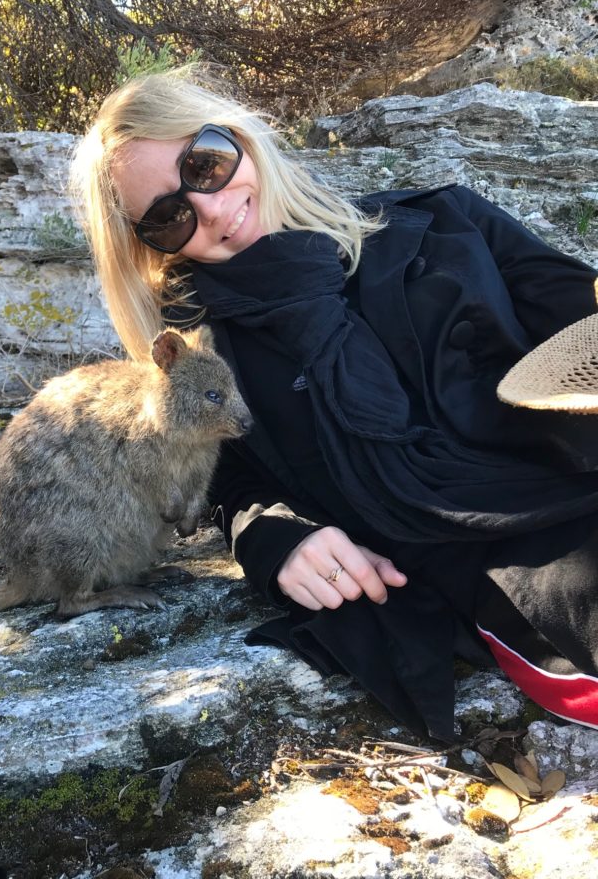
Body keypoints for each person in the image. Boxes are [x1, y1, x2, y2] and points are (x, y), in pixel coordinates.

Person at [71, 66, 598, 740]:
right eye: (169, 218)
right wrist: (277, 538)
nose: (209, 209)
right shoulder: (207, 348)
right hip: (512, 559)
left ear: (240, 137)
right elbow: (224, 480)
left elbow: (580, 313)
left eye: (205, 165)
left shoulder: (444, 218)